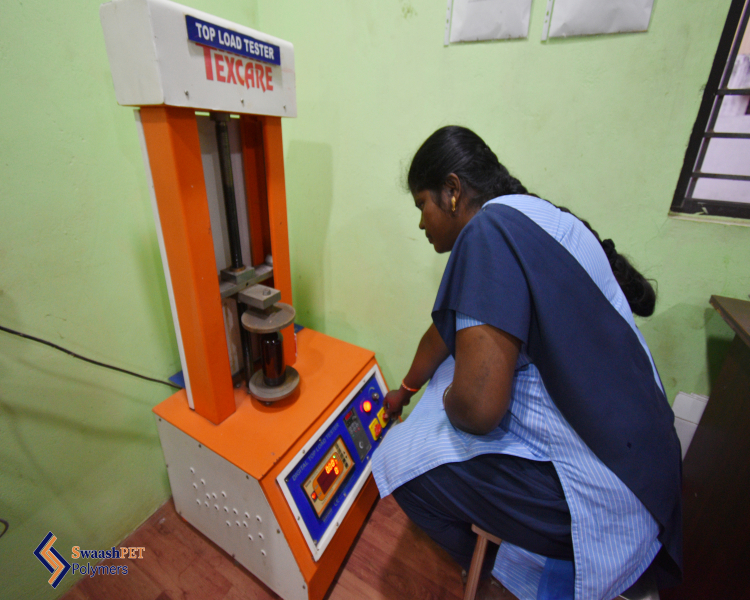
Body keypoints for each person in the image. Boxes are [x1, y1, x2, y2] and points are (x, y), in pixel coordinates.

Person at [371, 126, 682, 600]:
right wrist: (407, 390)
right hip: (651, 468)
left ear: (452, 192)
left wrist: (448, 396)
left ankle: (491, 573)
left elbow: (476, 411)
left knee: (399, 462)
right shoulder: (539, 216)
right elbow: (443, 331)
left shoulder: (486, 233)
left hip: (608, 500)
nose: (421, 223)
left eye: (422, 205)